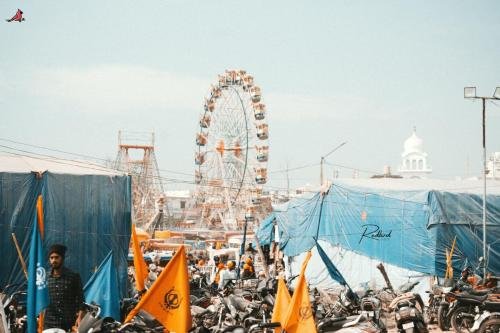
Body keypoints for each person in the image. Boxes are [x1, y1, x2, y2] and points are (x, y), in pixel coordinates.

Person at [44, 244, 85, 331]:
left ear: (62, 258)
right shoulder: (44, 278)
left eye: (56, 257)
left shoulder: (73, 276)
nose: (54, 260)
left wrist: (80, 317)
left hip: (68, 324)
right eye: (51, 258)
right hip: (49, 324)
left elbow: (81, 300)